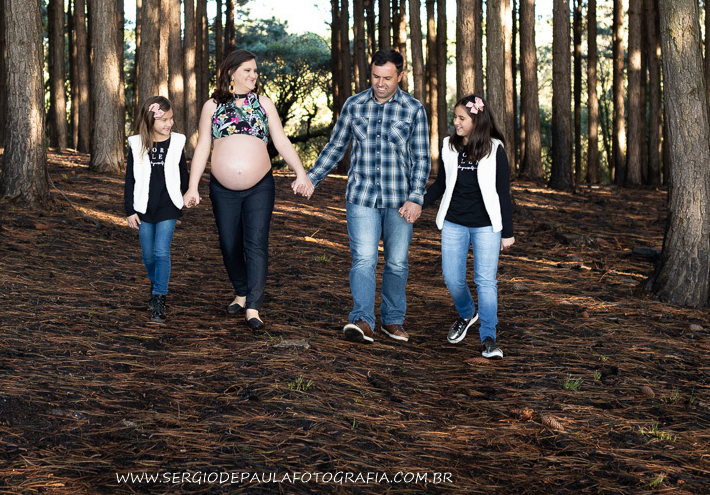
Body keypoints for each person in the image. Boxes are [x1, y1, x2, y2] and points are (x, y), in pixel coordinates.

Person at [184, 49, 314, 331]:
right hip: (222, 189)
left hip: (260, 187)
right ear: (231, 73)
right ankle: (241, 291)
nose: (254, 75)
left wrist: (301, 172)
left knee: (255, 244)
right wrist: (192, 186)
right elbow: (204, 146)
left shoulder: (263, 103)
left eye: (255, 71)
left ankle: (253, 306)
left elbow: (280, 140)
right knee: (229, 244)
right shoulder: (213, 105)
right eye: (247, 70)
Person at [307, 49, 431, 344]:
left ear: (400, 76)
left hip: (400, 199)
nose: (381, 83)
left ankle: (392, 320)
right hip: (361, 196)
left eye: (387, 78)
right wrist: (313, 178)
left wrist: (416, 197)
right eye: (376, 76)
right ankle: (362, 320)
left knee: (397, 263)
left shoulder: (413, 109)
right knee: (363, 259)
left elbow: (422, 159)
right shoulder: (354, 105)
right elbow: (336, 147)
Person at [422, 95, 514, 359]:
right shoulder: (448, 147)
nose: (456, 123)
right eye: (455, 117)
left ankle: (489, 338)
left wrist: (507, 231)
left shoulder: (495, 148)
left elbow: (502, 193)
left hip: (487, 226)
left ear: (476, 120)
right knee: (452, 278)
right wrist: (420, 203)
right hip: (454, 222)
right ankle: (466, 313)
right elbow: (440, 184)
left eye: (462, 118)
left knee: (486, 282)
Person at [123, 96, 188, 325]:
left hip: (168, 205)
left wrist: (188, 193)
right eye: (163, 120)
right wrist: (130, 210)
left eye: (171, 119)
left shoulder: (178, 142)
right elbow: (130, 179)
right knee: (148, 254)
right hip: (144, 207)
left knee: (161, 252)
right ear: (150, 120)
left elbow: (183, 173)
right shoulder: (137, 143)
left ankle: (160, 297)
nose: (168, 124)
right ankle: (155, 282)